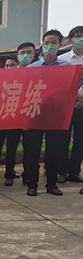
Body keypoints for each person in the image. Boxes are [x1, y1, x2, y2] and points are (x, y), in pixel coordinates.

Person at [24, 30, 71, 196]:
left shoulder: (67, 67)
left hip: (56, 116)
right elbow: (24, 94)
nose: (49, 46)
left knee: (54, 150)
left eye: (53, 43)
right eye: (46, 43)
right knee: (32, 151)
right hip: (35, 114)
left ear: (60, 44)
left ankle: (52, 184)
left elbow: (72, 89)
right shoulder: (31, 68)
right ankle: (32, 184)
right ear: (42, 45)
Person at [0, 52, 25, 186]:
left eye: (12, 65)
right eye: (7, 65)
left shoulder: (22, 80)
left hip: (15, 119)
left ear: (18, 66)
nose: (9, 68)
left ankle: (9, 173)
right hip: (1, 119)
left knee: (11, 147)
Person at [58, 26, 83, 184]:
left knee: (80, 139)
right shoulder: (63, 60)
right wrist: (76, 97)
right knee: (62, 139)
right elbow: (60, 83)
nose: (80, 38)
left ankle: (75, 170)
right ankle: (61, 171)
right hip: (66, 105)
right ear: (71, 39)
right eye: (77, 36)